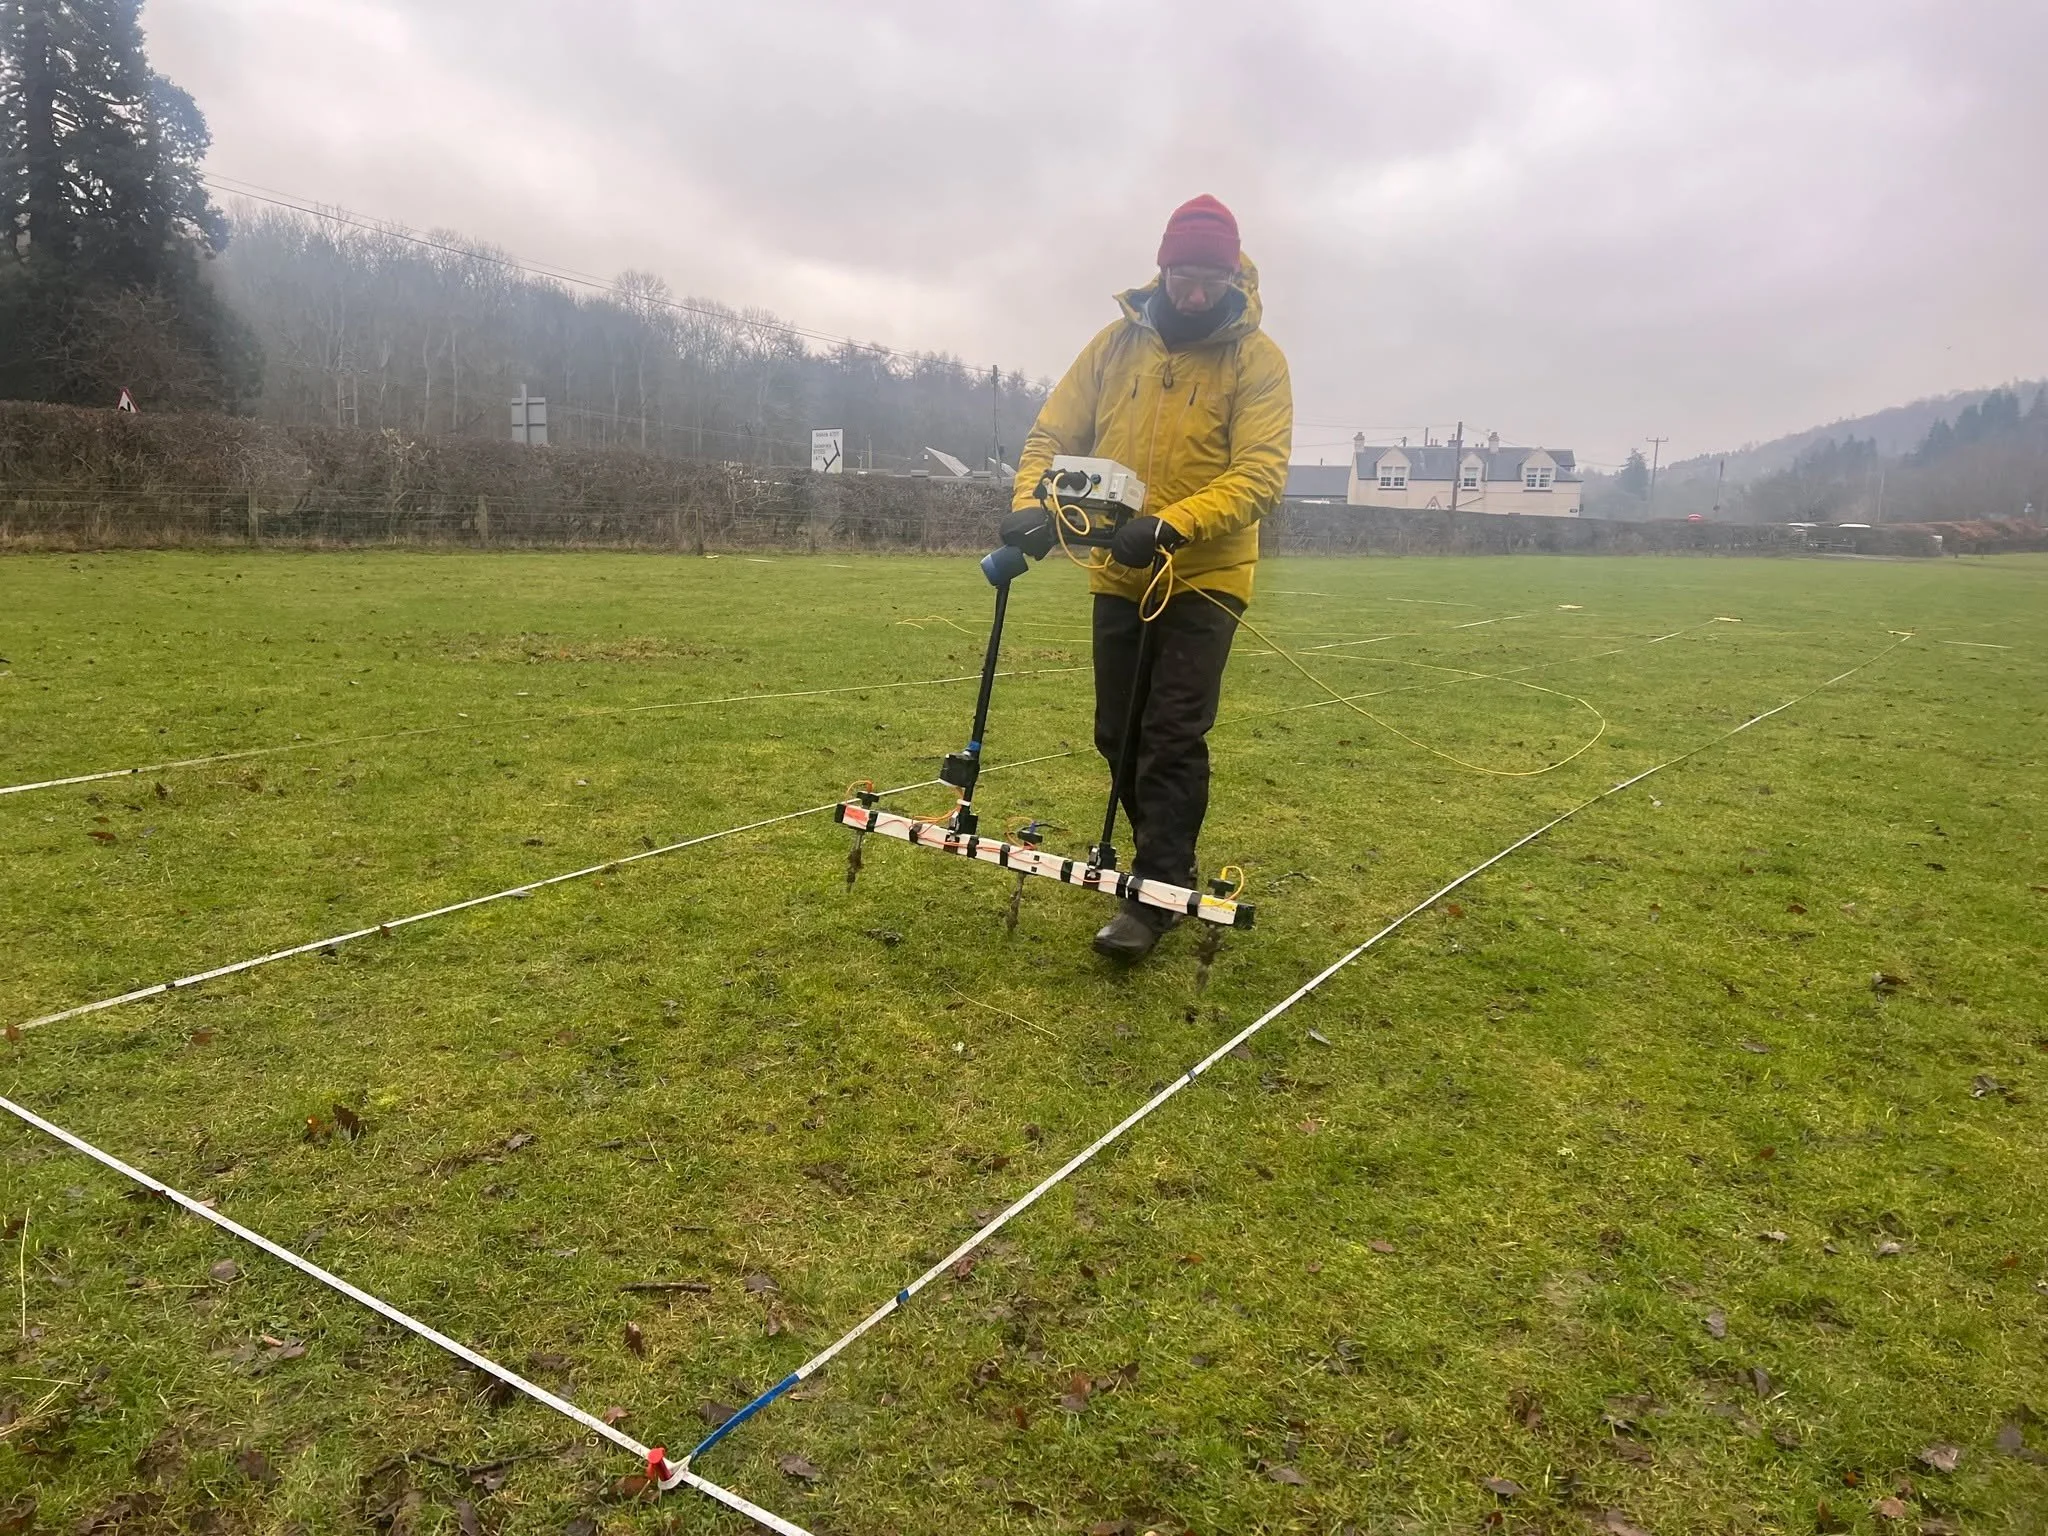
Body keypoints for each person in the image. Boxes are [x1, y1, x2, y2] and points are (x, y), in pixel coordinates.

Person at [1003, 194, 1292, 960]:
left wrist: (1171, 524)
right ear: (1159, 269)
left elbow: (1259, 474)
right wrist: (1036, 506)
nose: (1192, 292)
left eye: (1207, 278)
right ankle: (1167, 862)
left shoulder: (1256, 360)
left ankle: (1155, 892)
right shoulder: (1112, 347)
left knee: (1171, 733)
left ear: (1232, 278)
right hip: (1117, 572)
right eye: (1180, 275)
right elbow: (1053, 432)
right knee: (1117, 734)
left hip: (1203, 574)